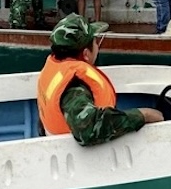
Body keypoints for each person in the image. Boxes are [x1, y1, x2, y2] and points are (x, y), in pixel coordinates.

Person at [37, 13, 163, 145]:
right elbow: (89, 129)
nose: (97, 45)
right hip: (77, 159)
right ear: (86, 54)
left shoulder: (56, 69)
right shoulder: (74, 87)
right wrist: (143, 115)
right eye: (95, 42)